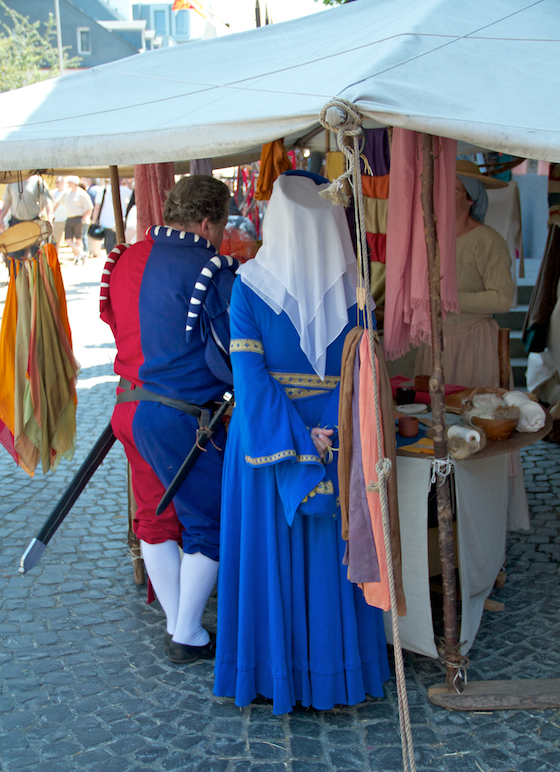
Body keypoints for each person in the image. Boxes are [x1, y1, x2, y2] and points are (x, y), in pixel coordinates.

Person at [213, 171, 390, 715]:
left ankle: (274, 672)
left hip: (270, 438)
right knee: (329, 558)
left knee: (275, 557)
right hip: (337, 434)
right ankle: (336, 673)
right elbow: (364, 374)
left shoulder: (248, 286)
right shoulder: (358, 291)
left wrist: (296, 437)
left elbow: (249, 379)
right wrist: (324, 432)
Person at [100, 175, 236, 663]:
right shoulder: (209, 268)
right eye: (221, 226)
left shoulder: (122, 259)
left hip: (128, 407)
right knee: (211, 521)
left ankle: (183, 627)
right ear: (207, 222)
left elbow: (121, 328)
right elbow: (230, 351)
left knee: (154, 519)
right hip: (178, 419)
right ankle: (185, 630)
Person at [415, 159, 514, 387]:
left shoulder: (487, 241)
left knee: (470, 405)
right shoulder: (428, 238)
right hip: (432, 341)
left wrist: (447, 299)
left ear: (470, 198)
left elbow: (503, 299)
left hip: (473, 342)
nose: (442, 196)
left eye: (453, 191)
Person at [53, 176, 93, 265]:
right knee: (68, 240)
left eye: (70, 182)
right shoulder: (66, 193)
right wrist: (52, 213)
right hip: (69, 218)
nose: (68, 184)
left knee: (78, 239)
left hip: (78, 218)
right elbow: (58, 202)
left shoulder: (82, 193)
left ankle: (78, 257)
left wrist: (83, 218)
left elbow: (89, 207)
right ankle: (82, 253)